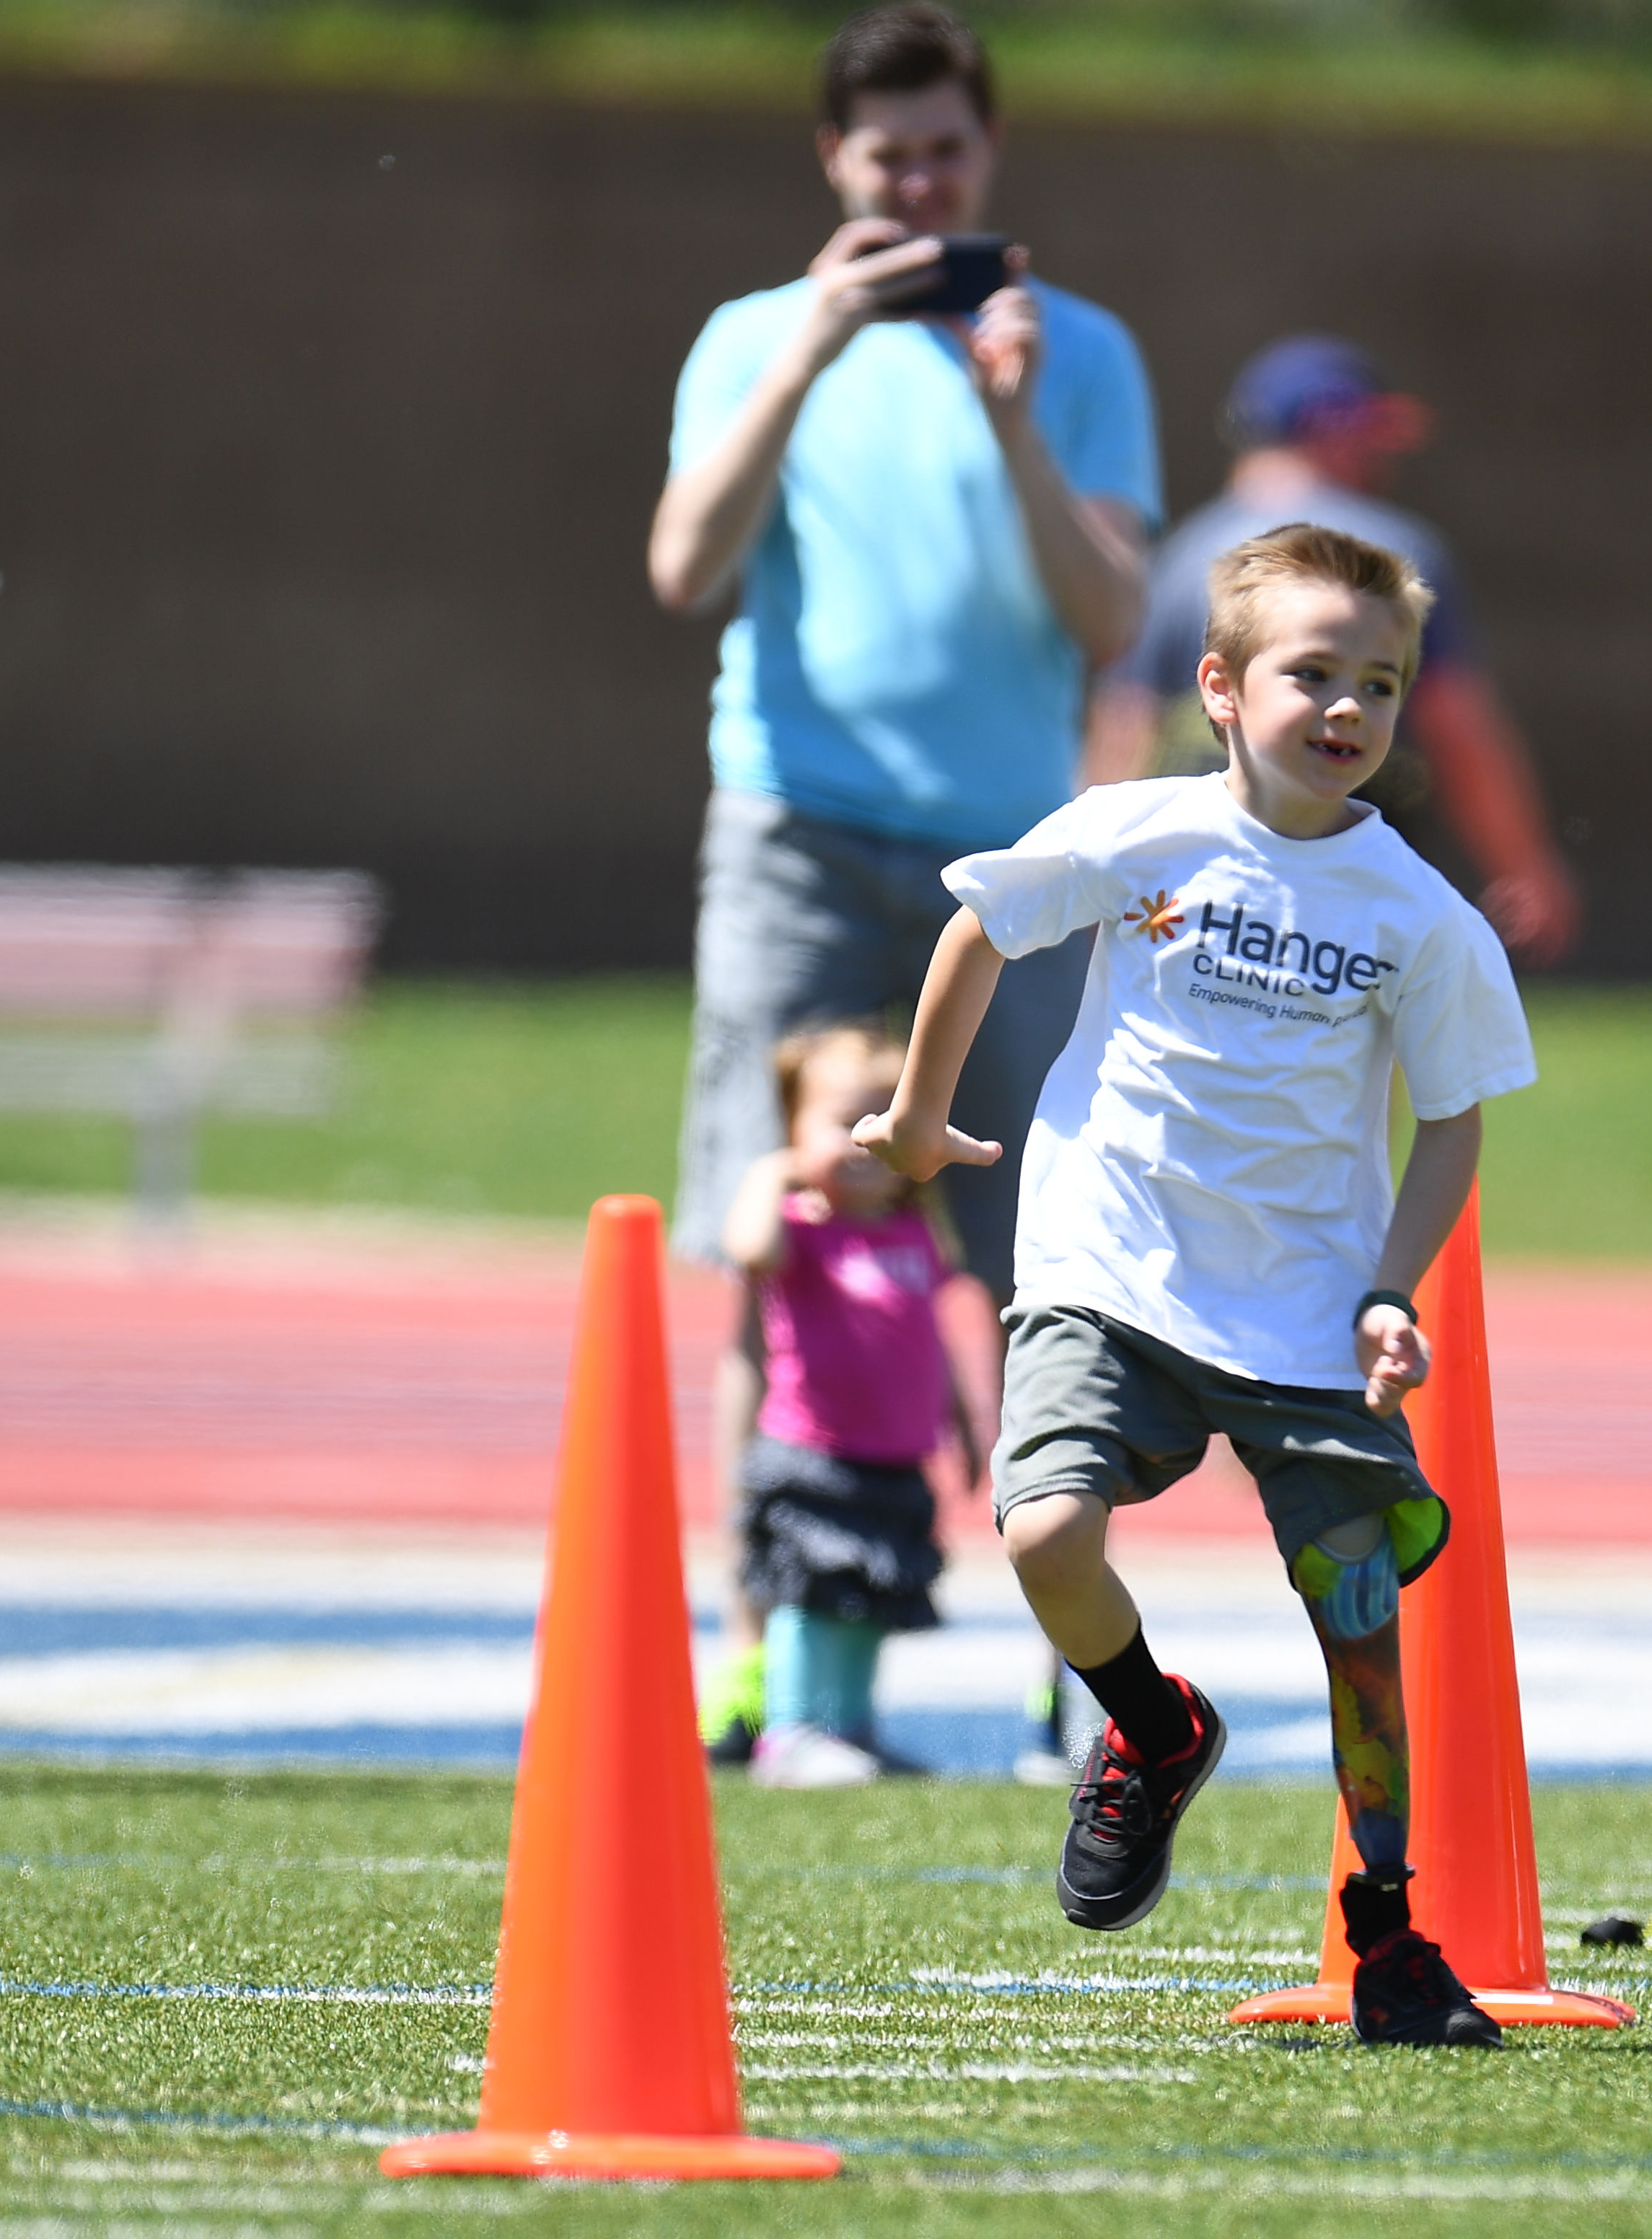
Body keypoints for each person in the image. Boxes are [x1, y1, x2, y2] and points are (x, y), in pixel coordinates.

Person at [858, 524, 1534, 2046]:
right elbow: (982, 924)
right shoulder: (1141, 830)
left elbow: (1455, 1118)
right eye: (1316, 672)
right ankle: (1155, 1728)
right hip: (1106, 1257)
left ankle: (1390, 1932)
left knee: (1359, 1615)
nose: (1351, 706)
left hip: (1303, 1308)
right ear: (1221, 685)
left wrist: (1388, 1286)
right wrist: (916, 1113)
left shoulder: (1420, 913)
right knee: (1042, 1531)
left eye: (1384, 680)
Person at [649, 1, 1159, 1764]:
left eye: (943, 153)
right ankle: (755, 1640)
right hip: (791, 824)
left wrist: (1009, 416)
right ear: (834, 168)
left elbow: (1110, 623)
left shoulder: (1077, 350)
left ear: (986, 158)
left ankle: (1066, 1647)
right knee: (766, 1232)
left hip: (1008, 860)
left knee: (1041, 1260)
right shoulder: (747, 339)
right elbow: (679, 565)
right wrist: (809, 347)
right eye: (886, 159)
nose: (917, 182)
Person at [1088, 335, 1581, 963]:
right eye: (1375, 438)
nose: (1386, 462)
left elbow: (1123, 727)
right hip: (1349, 879)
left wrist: (1094, 867)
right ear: (1337, 431)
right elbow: (1456, 725)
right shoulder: (1395, 551)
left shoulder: (1184, 557)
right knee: (1350, 1050)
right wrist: (1524, 867)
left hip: (1202, 888)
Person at [719, 1021, 978, 1787]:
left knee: (871, 1603)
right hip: (813, 1452)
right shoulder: (800, 1228)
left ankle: (851, 1727)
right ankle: (791, 1728)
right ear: (796, 1131)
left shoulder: (914, 1232)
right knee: (810, 1596)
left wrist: (961, 1422)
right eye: (842, 1124)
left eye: (884, 1122)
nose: (865, 1145)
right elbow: (748, 1250)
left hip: (895, 1458)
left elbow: (933, 1338)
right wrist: (773, 1174)